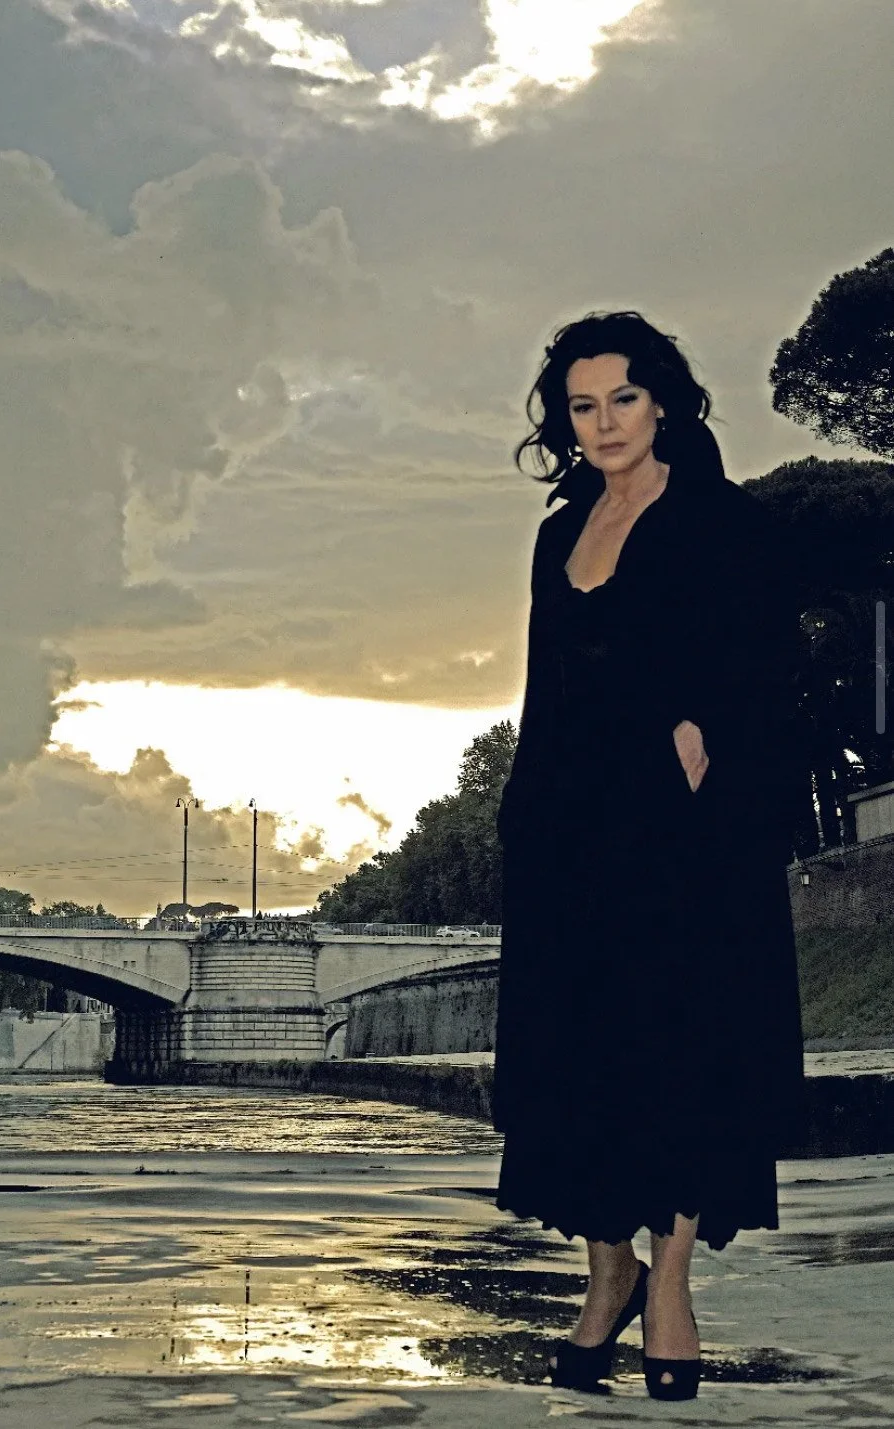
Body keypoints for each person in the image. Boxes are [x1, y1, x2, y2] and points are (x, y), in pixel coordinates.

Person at [493, 313, 804, 1401]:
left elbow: (766, 666)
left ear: (662, 400)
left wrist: (704, 732)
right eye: (582, 406)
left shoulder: (725, 522)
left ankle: (669, 1281)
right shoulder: (558, 535)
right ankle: (607, 1268)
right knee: (577, 1054)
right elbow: (545, 687)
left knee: (679, 1050)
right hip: (567, 833)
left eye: (622, 398)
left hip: (681, 838)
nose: (604, 422)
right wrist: (522, 812)